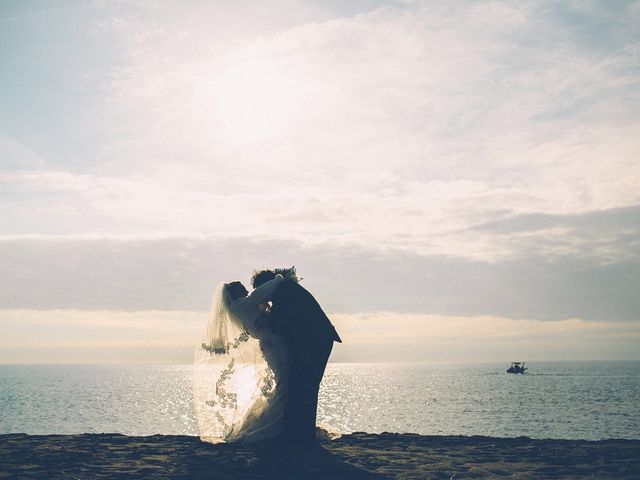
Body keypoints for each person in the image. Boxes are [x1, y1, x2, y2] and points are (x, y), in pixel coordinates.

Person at [193, 274, 289, 443]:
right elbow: (262, 292)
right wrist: (280, 278)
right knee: (284, 384)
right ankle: (276, 425)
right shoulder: (241, 305)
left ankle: (281, 422)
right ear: (236, 293)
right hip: (273, 345)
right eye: (242, 288)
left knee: (284, 384)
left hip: (271, 344)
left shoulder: (239, 306)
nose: (246, 289)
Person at [252, 267, 341, 442]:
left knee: (305, 384)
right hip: (315, 340)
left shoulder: (284, 292)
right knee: (304, 385)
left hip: (315, 342)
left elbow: (281, 320)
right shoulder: (284, 290)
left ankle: (301, 433)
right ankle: (300, 431)